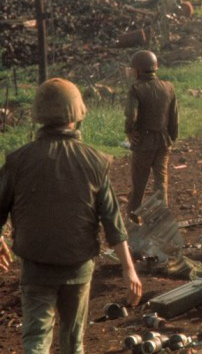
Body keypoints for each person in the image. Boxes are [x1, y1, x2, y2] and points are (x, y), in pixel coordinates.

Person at [0, 77, 142, 353]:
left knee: (35, 339)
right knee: (72, 342)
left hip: (35, 266)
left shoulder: (18, 160)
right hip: (77, 267)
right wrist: (129, 269)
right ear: (78, 113)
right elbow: (112, 221)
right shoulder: (94, 161)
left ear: (38, 114)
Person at [124, 50, 179, 223]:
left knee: (139, 183)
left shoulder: (136, 89)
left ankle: (134, 218)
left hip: (143, 143)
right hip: (163, 141)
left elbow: (131, 117)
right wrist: (170, 139)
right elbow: (174, 119)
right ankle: (161, 219)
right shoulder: (168, 87)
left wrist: (131, 134)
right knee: (160, 183)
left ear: (139, 70)